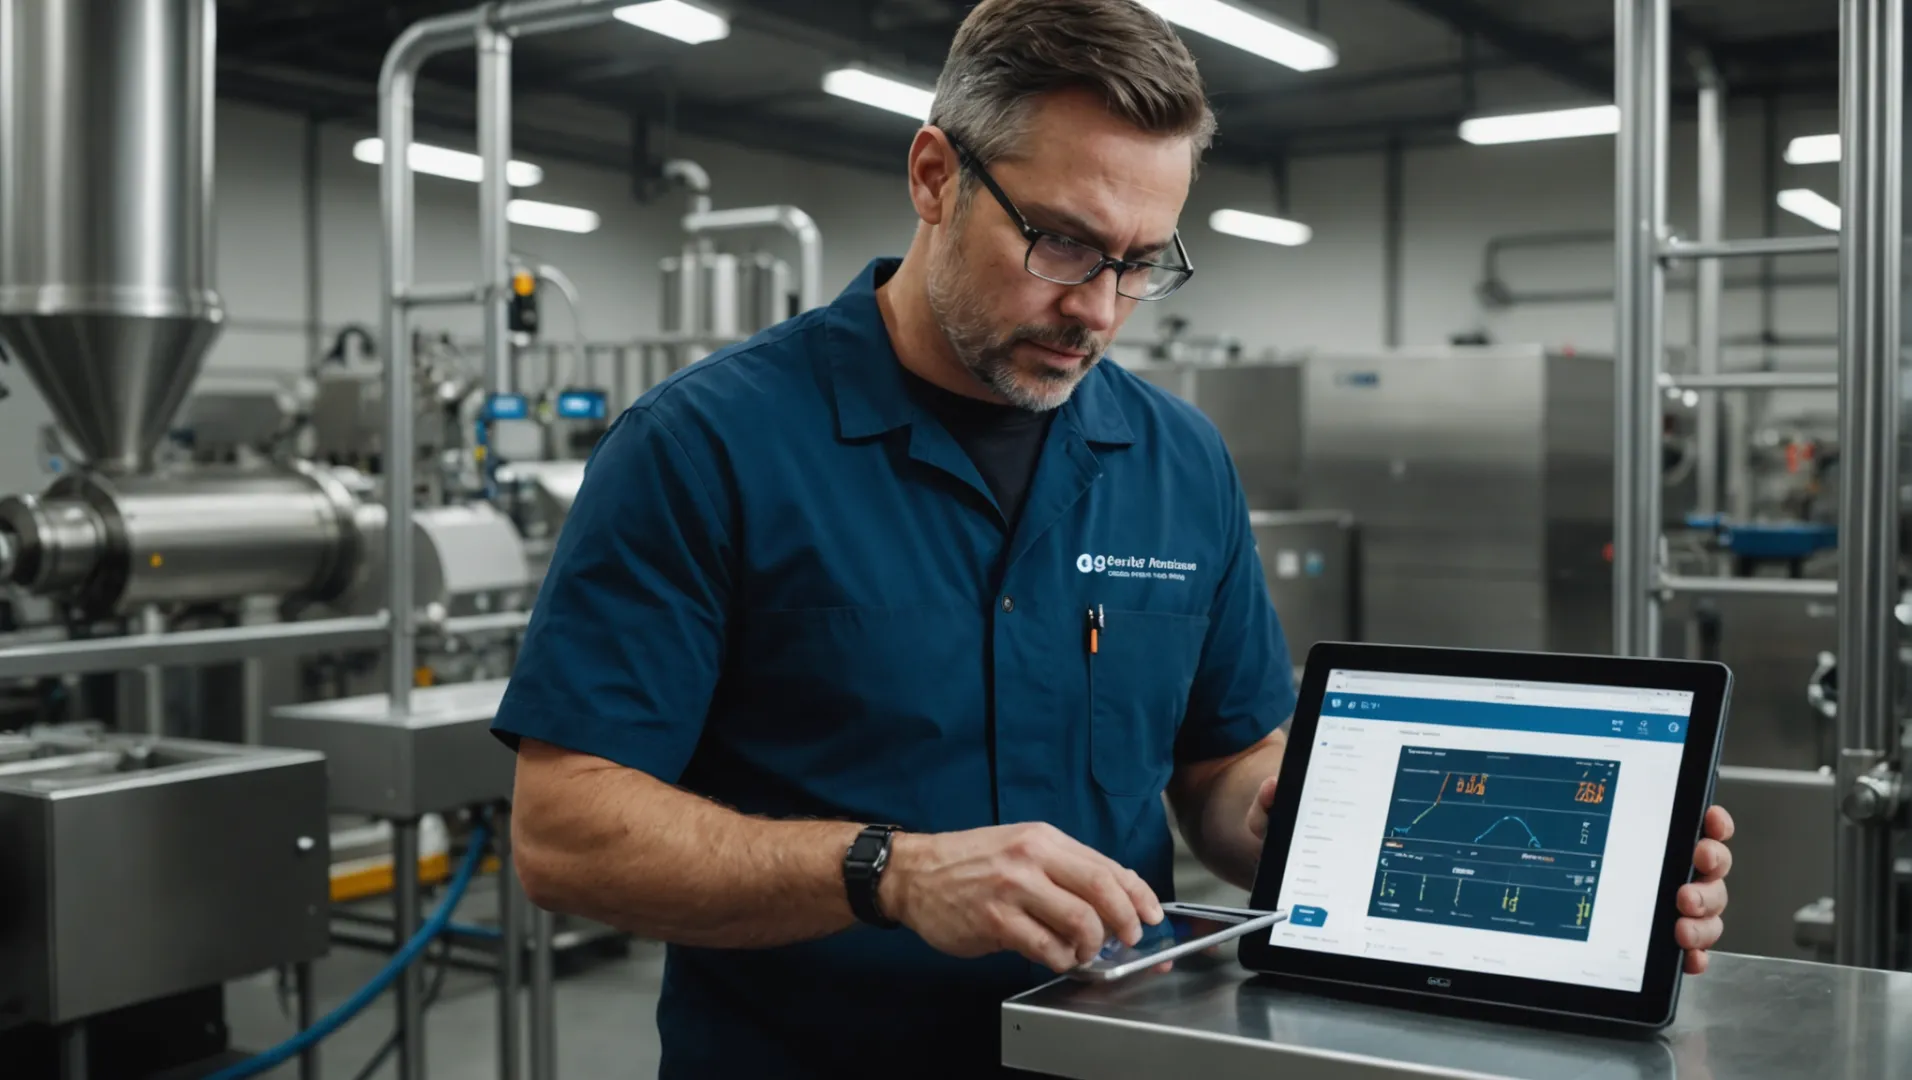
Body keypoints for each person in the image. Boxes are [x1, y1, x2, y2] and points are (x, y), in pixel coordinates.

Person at [494, 1, 1736, 1075]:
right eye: (1062, 242)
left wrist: (1444, 853)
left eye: (1141, 263)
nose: (1095, 307)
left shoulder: (1174, 457)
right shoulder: (705, 448)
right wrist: (890, 871)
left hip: (1119, 1058)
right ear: (934, 176)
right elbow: (564, 831)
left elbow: (1224, 770)